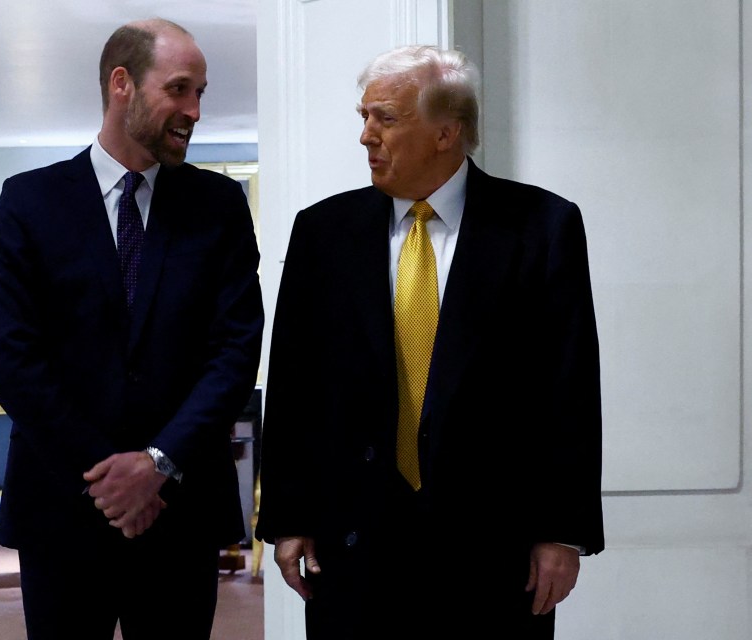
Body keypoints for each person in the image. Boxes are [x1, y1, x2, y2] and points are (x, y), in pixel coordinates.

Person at [255, 44, 603, 639]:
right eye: (364, 117)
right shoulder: (323, 232)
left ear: (447, 132)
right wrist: (288, 516)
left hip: (494, 550)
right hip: (354, 540)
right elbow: (292, 384)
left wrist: (560, 532)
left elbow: (568, 388)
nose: (366, 136)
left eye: (385, 119)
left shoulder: (542, 226)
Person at [0, 18, 263, 640]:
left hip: (181, 505)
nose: (194, 110)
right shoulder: (29, 202)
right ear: (122, 84)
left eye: (202, 94)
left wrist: (158, 463)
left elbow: (236, 351)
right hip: (62, 498)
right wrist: (111, 477)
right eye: (180, 89)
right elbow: (10, 358)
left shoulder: (220, 207)